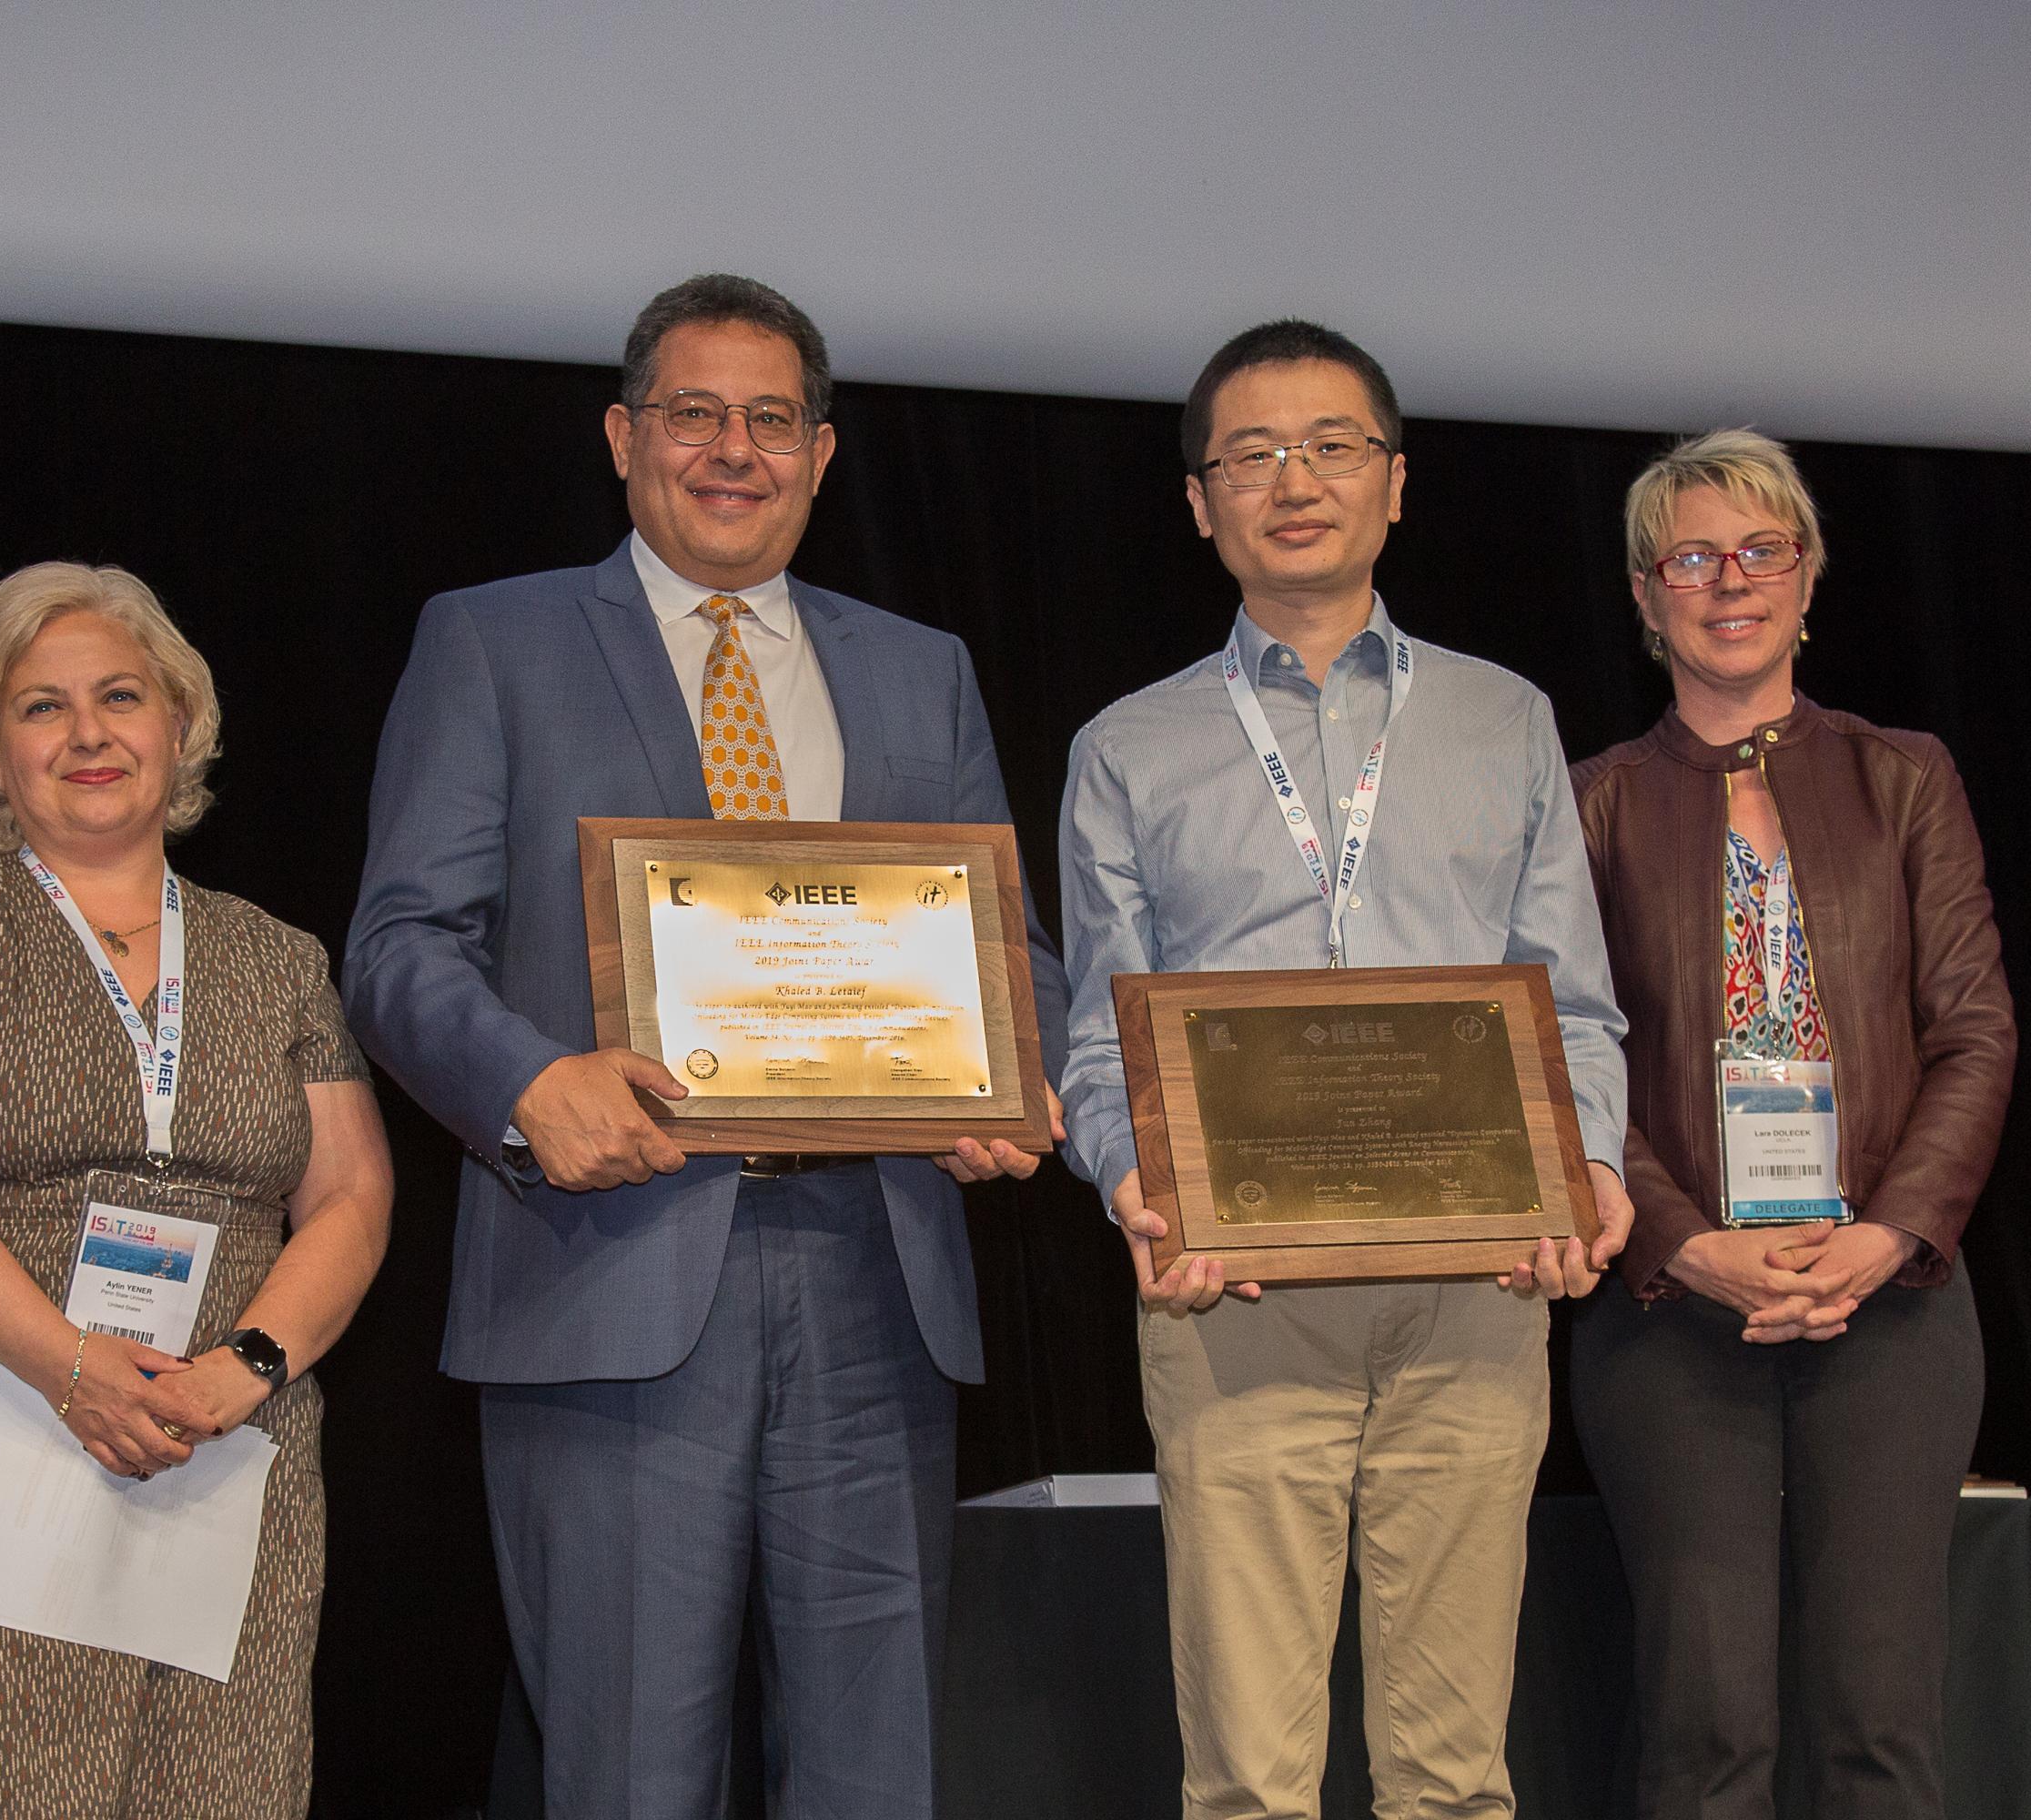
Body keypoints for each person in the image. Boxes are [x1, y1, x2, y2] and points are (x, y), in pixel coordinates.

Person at [345, 273, 1066, 1818]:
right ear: (622, 436)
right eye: (692, 413)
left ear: (821, 452)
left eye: (771, 419)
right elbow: (401, 944)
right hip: (611, 1270)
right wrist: (530, 1085)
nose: (731, 449)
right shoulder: (494, 641)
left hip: (878, 1278)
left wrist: (1021, 1069)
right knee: (623, 1773)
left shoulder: (915, 665)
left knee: (875, 1768)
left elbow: (1002, 945)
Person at [1058, 319, 1637, 1818]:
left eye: (1331, 447)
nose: (1291, 480)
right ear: (1201, 503)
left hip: (1479, 1290)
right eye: (1250, 455)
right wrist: (1138, 1187)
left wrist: (1590, 1169)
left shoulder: (1506, 718)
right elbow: (1099, 1029)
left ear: (1396, 483)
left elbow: (1572, 997)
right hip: (1233, 1301)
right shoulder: (1127, 746)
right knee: (1249, 1779)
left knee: (1454, 1775)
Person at [0, 561, 391, 1818]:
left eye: (122, 697)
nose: (89, 734)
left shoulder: (276, 955)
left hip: (227, 1455)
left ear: (180, 724)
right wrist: (66, 1365)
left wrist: (247, 1366)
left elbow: (350, 1194)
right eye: (41, 706)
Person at [1569, 430, 2012, 1818]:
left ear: (1810, 575)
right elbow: (1564, 1070)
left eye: (1762, 550)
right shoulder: (1587, 807)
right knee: (1708, 1728)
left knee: (1879, 1724)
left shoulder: (1905, 778)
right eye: (1691, 557)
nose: (1729, 582)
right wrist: (1690, 1247)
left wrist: (1888, 1235)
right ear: (1647, 597)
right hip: (1672, 1312)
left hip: (1890, 1303)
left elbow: (1976, 1031)